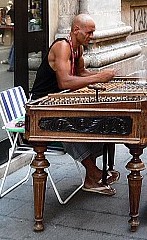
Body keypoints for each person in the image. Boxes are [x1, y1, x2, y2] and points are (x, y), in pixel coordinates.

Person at [30, 13, 120, 196]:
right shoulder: (62, 46)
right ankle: (94, 173)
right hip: (41, 107)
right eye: (89, 32)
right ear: (76, 30)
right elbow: (65, 82)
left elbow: (80, 73)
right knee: (69, 126)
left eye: (93, 33)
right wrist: (99, 77)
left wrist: (102, 77)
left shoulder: (78, 48)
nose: (91, 36)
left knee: (95, 120)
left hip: (59, 101)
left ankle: (91, 175)